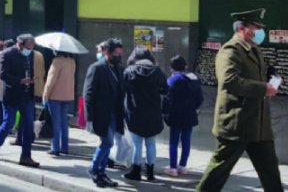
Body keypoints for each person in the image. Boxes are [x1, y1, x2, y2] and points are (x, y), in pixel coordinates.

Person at [197, 9, 282, 192]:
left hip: (259, 125)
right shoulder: (231, 50)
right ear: (242, 28)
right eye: (256, 27)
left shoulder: (254, 49)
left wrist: (269, 75)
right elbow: (229, 80)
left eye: (260, 27)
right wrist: (263, 88)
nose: (260, 31)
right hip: (237, 123)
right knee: (218, 171)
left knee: (270, 172)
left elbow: (252, 75)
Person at [0, 34, 40, 168]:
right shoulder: (7, 54)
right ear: (20, 45)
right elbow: (3, 75)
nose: (30, 50)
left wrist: (32, 81)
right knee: (9, 123)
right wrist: (20, 81)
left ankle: (26, 156)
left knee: (29, 126)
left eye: (32, 48)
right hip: (12, 95)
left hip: (27, 96)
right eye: (28, 47)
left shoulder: (31, 55)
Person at [83, 38, 125, 188]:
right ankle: (94, 169)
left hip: (115, 113)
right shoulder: (97, 68)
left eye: (121, 53)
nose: (119, 56)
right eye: (116, 53)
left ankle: (101, 171)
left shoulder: (119, 68)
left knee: (108, 143)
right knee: (107, 142)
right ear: (107, 52)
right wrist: (90, 117)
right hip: (102, 113)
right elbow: (88, 93)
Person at [122, 47, 167, 182]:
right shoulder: (157, 71)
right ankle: (150, 173)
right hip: (153, 112)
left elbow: (122, 90)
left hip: (135, 112)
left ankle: (135, 172)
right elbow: (165, 90)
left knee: (137, 144)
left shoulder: (130, 71)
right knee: (151, 143)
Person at [163, 55, 203, 177]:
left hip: (175, 115)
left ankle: (173, 168)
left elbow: (167, 99)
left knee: (174, 141)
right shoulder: (194, 79)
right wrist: (193, 108)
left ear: (171, 68)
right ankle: (183, 166)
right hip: (189, 114)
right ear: (185, 66)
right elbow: (200, 98)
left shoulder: (171, 81)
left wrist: (165, 113)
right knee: (186, 140)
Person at [43, 51, 76, 156]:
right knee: (64, 122)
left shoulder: (56, 61)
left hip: (55, 95)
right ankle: (64, 147)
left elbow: (51, 80)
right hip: (68, 95)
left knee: (55, 122)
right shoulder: (72, 62)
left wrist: (45, 95)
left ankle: (55, 147)